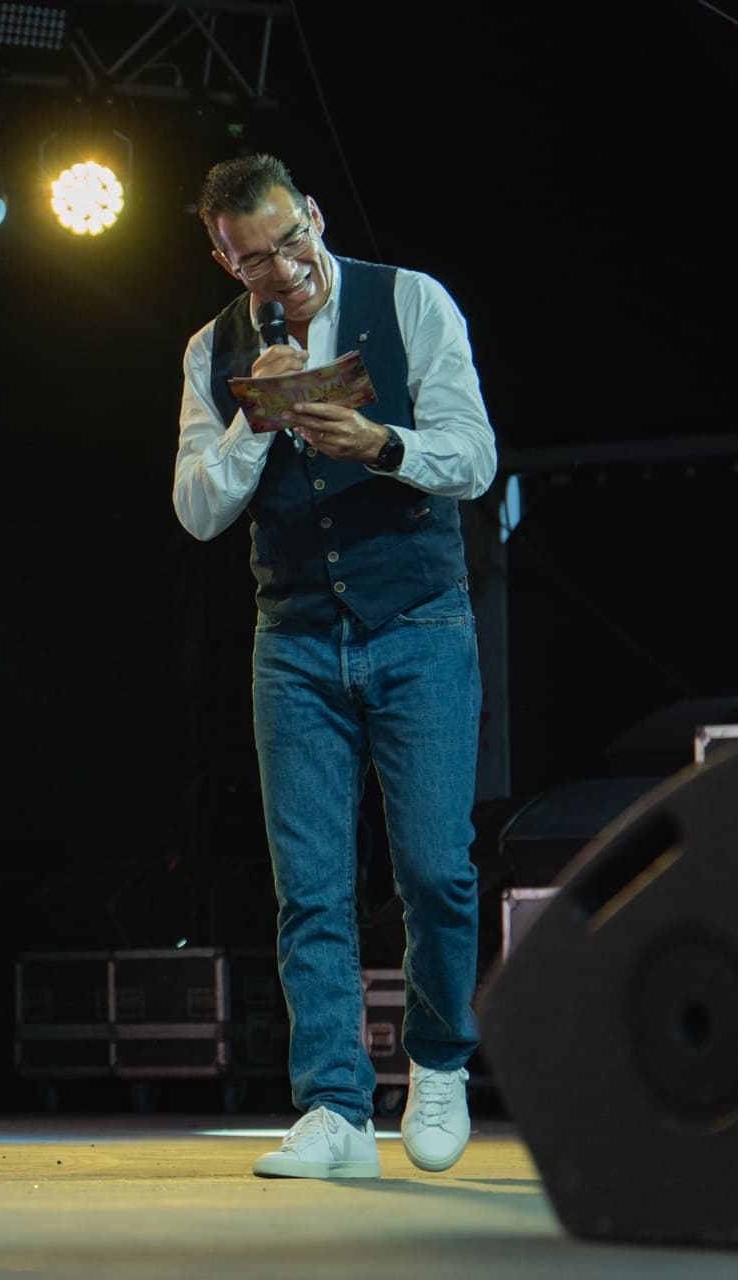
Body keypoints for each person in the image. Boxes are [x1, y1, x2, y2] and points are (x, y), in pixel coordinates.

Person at [173, 155, 496, 1179]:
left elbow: (475, 456)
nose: (284, 270)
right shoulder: (213, 348)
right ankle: (335, 1111)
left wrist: (380, 442)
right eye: (255, 260)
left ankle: (438, 1063)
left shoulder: (410, 302)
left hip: (419, 618)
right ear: (225, 259)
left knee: (437, 869)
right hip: (297, 637)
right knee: (309, 885)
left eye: (291, 242)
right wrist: (252, 418)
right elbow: (197, 509)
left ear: (312, 214)